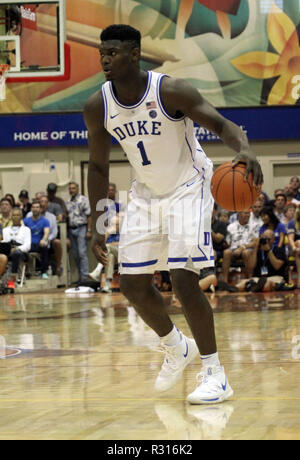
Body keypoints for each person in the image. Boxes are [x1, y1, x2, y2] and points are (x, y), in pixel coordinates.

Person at [84, 24, 263, 405]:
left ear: (134, 54)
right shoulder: (98, 104)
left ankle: (215, 373)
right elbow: (98, 168)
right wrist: (95, 224)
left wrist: (244, 148)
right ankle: (175, 345)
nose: (104, 59)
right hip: (145, 194)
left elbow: (221, 123)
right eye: (102, 52)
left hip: (188, 186)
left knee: (183, 279)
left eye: (112, 52)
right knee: (131, 285)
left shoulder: (170, 90)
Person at [221, 211, 258, 283]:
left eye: (248, 213)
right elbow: (227, 243)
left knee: (246, 253)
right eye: (246, 213)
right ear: (239, 214)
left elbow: (255, 242)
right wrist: (225, 244)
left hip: (247, 249)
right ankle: (224, 281)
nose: (248, 215)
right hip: (233, 249)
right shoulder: (231, 227)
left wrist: (242, 248)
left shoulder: (254, 226)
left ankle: (250, 280)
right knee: (226, 252)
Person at [66, 182, 92, 283]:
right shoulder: (68, 202)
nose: (71, 190)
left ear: (77, 189)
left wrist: (88, 230)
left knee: (82, 253)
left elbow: (89, 215)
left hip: (82, 227)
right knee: (75, 254)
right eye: (70, 189)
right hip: (71, 229)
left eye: (73, 188)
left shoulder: (83, 200)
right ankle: (80, 276)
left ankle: (85, 277)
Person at [2, 207, 31, 288]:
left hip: (21, 251)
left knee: (16, 254)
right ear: (11, 217)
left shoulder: (26, 230)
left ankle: (12, 280)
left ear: (21, 217)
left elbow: (28, 246)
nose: (15, 217)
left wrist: (16, 249)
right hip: (8, 249)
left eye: (18, 215)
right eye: (14, 215)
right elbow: (4, 242)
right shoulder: (5, 230)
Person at [24, 201, 50, 279]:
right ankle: (26, 272)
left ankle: (44, 272)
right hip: (28, 244)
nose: (35, 209)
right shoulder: (25, 221)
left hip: (39, 244)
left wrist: (44, 239)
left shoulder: (45, 221)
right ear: (31, 209)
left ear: (40, 209)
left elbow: (46, 233)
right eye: (33, 207)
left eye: (37, 207)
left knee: (44, 247)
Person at [287, 206, 300, 289]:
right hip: (294, 248)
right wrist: (294, 248)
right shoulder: (292, 222)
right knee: (299, 243)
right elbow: (290, 239)